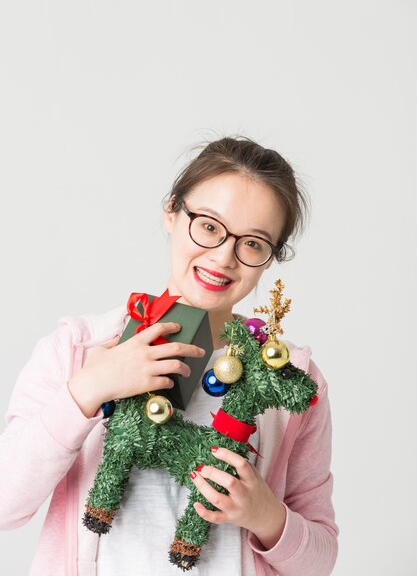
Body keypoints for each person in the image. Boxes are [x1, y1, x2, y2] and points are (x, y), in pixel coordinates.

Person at [0, 136, 339, 576]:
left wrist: (268, 517)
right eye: (209, 226)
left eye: (253, 243)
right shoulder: (79, 348)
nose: (222, 257)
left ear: (270, 258)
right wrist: (88, 389)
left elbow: (321, 559)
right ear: (172, 212)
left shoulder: (286, 376)